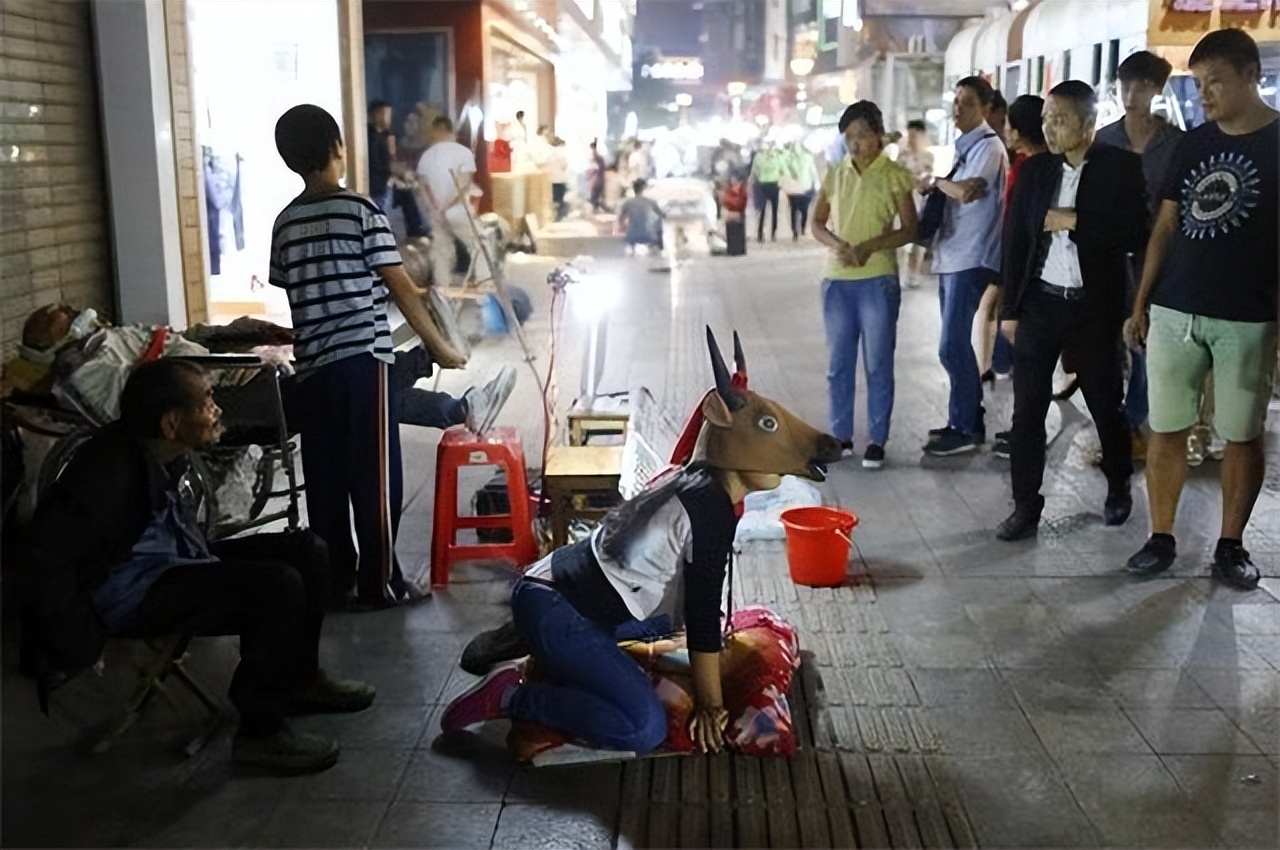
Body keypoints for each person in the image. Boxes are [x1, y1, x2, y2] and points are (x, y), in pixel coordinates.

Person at [438, 331, 842, 755]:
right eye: (767, 427)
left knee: (675, 632)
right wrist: (710, 705)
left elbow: (696, 611)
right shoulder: (708, 509)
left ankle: (550, 653)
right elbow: (703, 618)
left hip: (564, 591)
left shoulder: (694, 479)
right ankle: (512, 695)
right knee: (642, 726)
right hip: (557, 607)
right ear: (721, 421)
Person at [18, 359, 376, 774]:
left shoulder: (159, 447)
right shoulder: (104, 480)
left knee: (306, 549)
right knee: (275, 586)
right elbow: (46, 564)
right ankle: (260, 734)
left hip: (174, 560)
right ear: (171, 423)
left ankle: (301, 680)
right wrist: (72, 645)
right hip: (133, 594)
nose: (217, 409)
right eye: (206, 401)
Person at [270, 104, 467, 609]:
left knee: (328, 477)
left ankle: (337, 580)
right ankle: (380, 583)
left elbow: (288, 286)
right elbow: (400, 286)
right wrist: (441, 346)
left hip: (311, 367)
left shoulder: (284, 223)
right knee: (376, 477)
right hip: (362, 362)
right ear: (337, 147)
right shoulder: (360, 210)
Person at [1124, 29, 1278, 588]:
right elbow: (1165, 225)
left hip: (1248, 315)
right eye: (1198, 84)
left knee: (1241, 433)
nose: (1205, 95)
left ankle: (1230, 545)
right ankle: (1160, 536)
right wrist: (1141, 302)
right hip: (1175, 309)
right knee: (1165, 428)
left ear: (1251, 76)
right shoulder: (1194, 144)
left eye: (1216, 82)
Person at [996, 81, 1146, 541]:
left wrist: (1075, 222)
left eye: (1059, 120)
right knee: (1027, 412)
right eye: (1045, 120)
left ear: (1088, 123)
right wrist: (1009, 309)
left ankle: (1118, 484)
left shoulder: (1120, 168)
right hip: (1041, 303)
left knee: (1105, 404)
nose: (1049, 128)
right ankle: (1025, 505)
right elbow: (1016, 242)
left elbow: (1134, 234)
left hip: (1092, 310)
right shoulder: (1036, 171)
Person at [811, 101, 918, 469]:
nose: (855, 144)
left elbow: (910, 228)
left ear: (878, 136)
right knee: (839, 362)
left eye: (862, 136)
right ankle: (840, 436)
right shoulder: (835, 174)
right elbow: (817, 223)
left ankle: (876, 439)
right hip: (837, 281)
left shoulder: (895, 175)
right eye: (849, 137)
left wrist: (872, 245)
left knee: (877, 362)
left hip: (878, 279)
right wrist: (837, 244)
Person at [1096, 51, 1183, 461]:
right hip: (1112, 251)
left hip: (1157, 251)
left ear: (1156, 90)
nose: (1131, 94)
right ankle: (1118, 422)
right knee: (1112, 339)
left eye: (1140, 86)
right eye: (1125, 85)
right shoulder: (1105, 139)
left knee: (1144, 338)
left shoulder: (1175, 143)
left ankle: (1133, 422)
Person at [923, 76, 1008, 456]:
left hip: (971, 258)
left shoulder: (989, 149)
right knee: (953, 344)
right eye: (956, 102)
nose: (959, 108)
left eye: (968, 103)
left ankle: (969, 426)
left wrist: (937, 183)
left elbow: (969, 191)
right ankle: (961, 417)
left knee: (951, 344)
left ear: (985, 109)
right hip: (953, 256)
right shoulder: (965, 149)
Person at [988, 95, 1049, 459]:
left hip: (1026, 273)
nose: (1006, 131)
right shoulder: (1025, 164)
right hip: (1019, 267)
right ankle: (1023, 430)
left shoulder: (1032, 167)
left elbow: (1021, 225)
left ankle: (1026, 433)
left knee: (1029, 362)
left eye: (1010, 124)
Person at [416, 116, 490, 287]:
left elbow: (423, 187)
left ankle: (442, 288)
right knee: (478, 244)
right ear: (451, 131)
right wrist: (447, 206)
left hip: (436, 212)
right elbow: (463, 184)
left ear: (436, 131)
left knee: (441, 251)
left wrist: (434, 209)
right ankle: (484, 282)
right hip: (458, 210)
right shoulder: (463, 153)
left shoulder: (426, 156)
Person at [897, 119, 935, 280]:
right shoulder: (902, 156)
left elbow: (928, 177)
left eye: (915, 135)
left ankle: (914, 274)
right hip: (902, 201)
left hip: (920, 201)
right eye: (909, 135)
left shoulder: (928, 156)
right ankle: (900, 274)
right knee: (900, 240)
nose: (911, 139)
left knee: (917, 242)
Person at [780, 141, 819, 240]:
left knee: (801, 210)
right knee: (796, 210)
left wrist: (816, 183)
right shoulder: (791, 158)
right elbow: (784, 167)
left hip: (804, 187)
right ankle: (795, 231)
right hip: (797, 187)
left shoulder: (806, 157)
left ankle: (801, 228)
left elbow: (813, 171)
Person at [618, 178, 665, 255]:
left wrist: (622, 226)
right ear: (644, 189)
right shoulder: (651, 202)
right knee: (659, 220)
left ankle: (631, 250)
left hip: (632, 236)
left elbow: (621, 218)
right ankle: (660, 248)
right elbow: (662, 215)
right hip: (650, 236)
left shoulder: (628, 203)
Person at [749, 142, 783, 243]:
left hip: (771, 184)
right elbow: (755, 170)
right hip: (764, 184)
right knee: (763, 210)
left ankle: (772, 233)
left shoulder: (776, 156)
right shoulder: (760, 157)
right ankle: (761, 233)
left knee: (773, 211)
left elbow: (782, 169)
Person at [588, 140, 606, 212]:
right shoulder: (597, 160)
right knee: (595, 194)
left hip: (597, 179)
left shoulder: (599, 159)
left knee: (596, 194)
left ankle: (595, 207)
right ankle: (595, 207)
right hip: (598, 179)